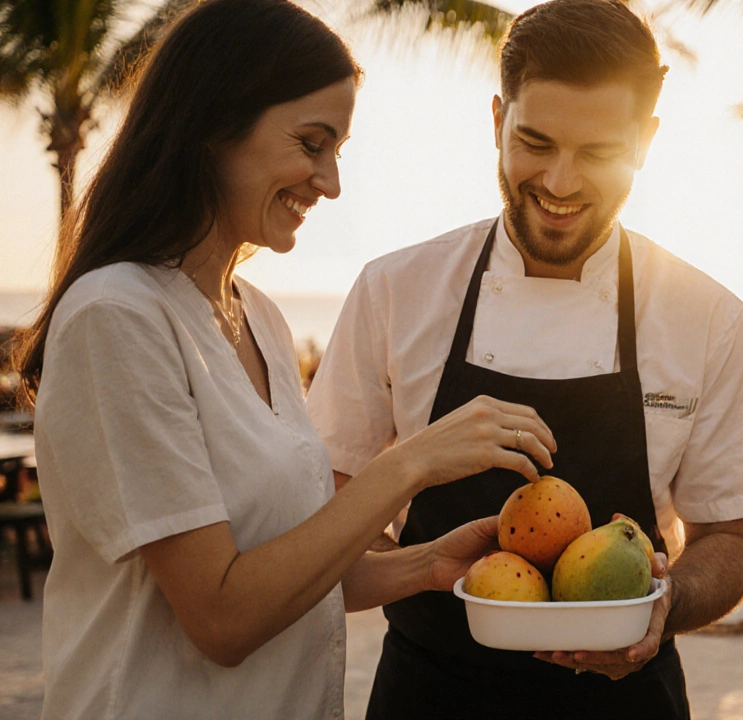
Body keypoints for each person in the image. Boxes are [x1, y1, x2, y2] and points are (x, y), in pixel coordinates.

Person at [12, 1, 555, 717]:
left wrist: (427, 563)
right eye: (310, 143)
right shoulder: (117, 317)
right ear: (212, 127)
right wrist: (411, 462)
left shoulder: (258, 317)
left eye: (337, 151)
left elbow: (301, 572)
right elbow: (223, 617)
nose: (330, 183)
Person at [305, 0, 743, 715]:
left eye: (598, 153)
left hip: (627, 700)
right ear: (497, 120)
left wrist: (667, 604)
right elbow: (332, 510)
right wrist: (425, 569)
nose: (560, 183)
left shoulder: (706, 315)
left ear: (645, 141)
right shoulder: (395, 290)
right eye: (535, 141)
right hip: (429, 694)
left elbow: (727, 538)